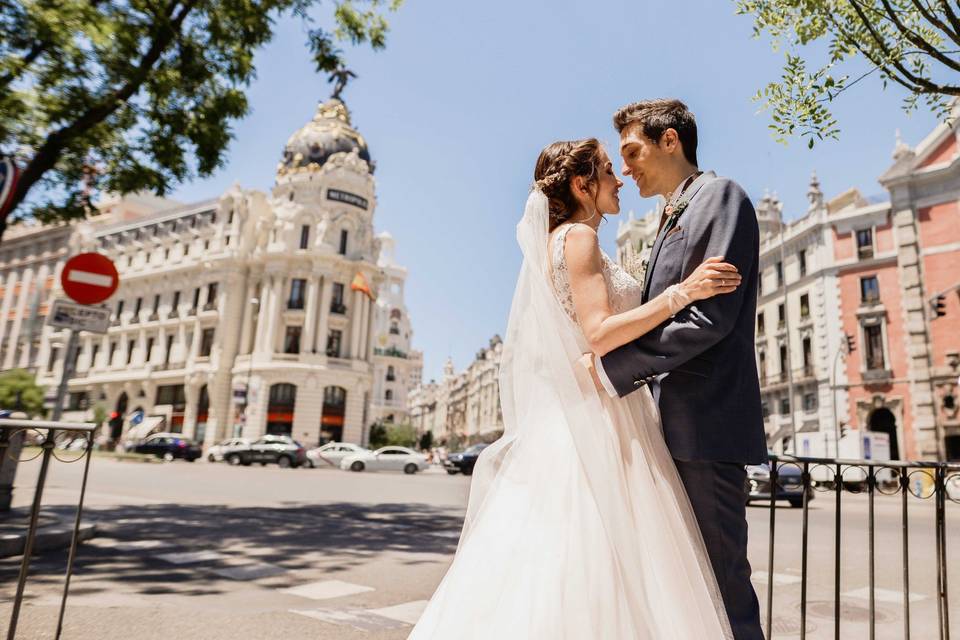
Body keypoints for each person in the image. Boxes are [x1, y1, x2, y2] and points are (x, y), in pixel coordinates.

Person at [409, 124, 746, 638]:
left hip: (588, 413)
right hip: (604, 417)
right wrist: (683, 293)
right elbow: (599, 333)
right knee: (608, 558)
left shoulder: (557, 242)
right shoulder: (580, 237)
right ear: (581, 186)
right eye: (609, 170)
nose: (621, 179)